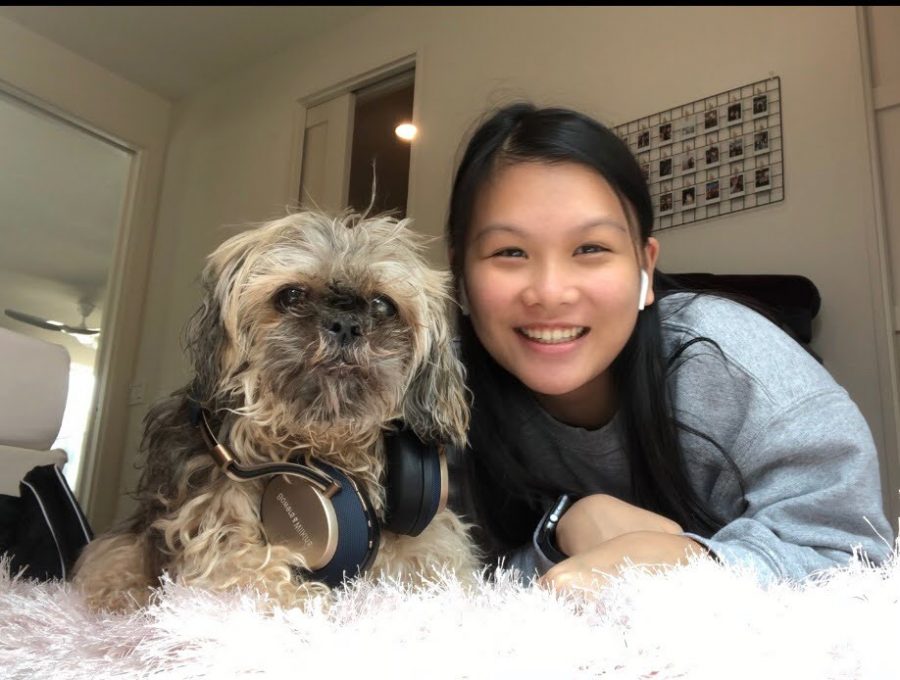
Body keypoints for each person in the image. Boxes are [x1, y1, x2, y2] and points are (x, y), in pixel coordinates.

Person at [444, 102, 895, 592]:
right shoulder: (440, 394)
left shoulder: (738, 368)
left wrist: (693, 562)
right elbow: (453, 571)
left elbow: (856, 563)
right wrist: (562, 530)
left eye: (591, 248)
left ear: (645, 265)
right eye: (510, 252)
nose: (551, 292)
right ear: (460, 276)